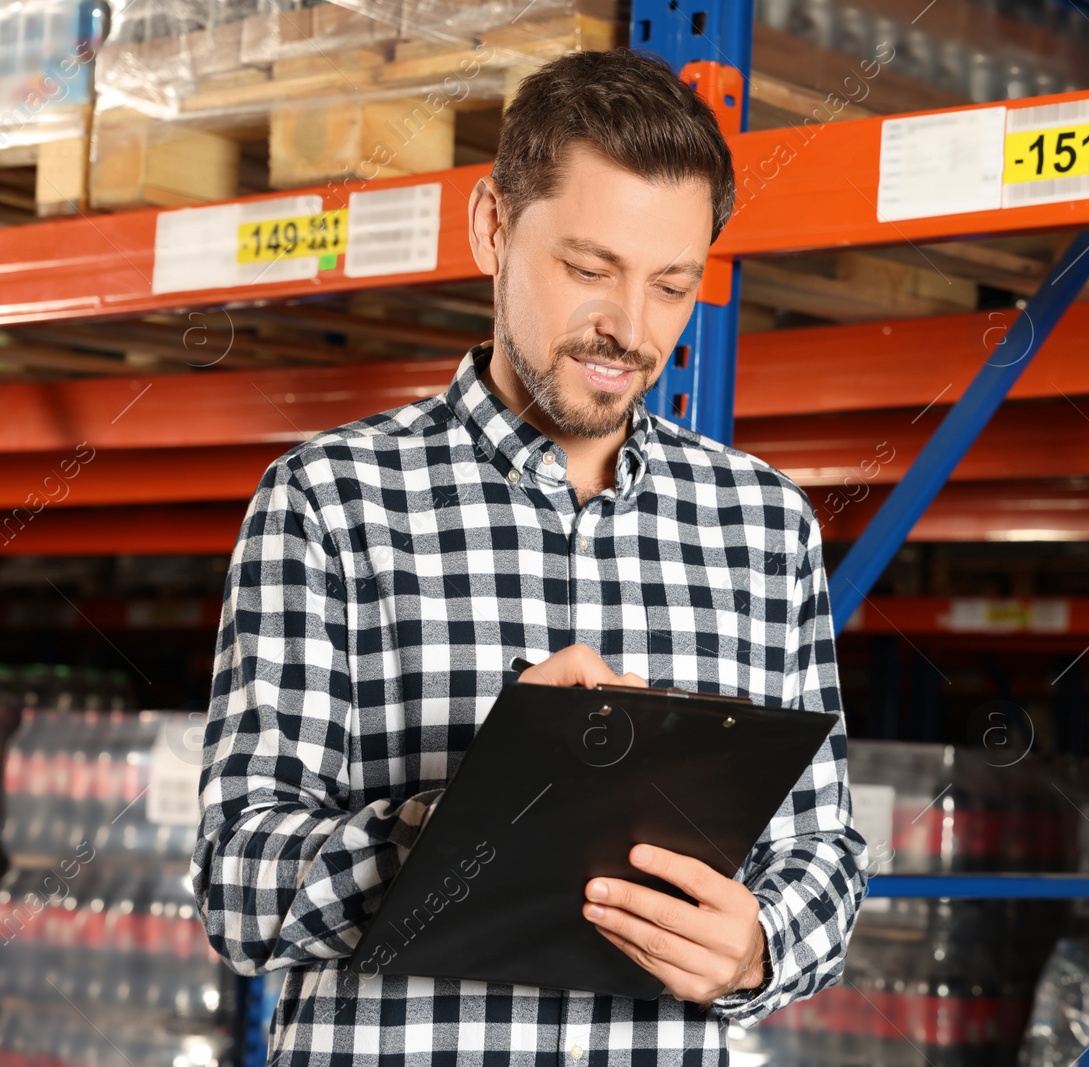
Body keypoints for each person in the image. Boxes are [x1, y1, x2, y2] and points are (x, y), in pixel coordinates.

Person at [192, 47, 867, 1066]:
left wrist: (756, 948)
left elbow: (825, 852)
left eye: (671, 285)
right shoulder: (329, 500)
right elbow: (237, 887)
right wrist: (460, 816)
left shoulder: (763, 523)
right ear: (493, 228)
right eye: (590, 269)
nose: (629, 329)